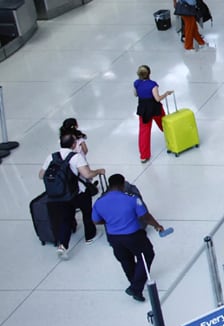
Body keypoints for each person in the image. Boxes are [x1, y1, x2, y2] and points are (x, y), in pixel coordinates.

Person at [91, 174, 162, 302]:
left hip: (114, 238)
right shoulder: (132, 199)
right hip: (134, 235)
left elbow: (96, 221)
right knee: (146, 255)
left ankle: (134, 281)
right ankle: (136, 287)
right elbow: (144, 216)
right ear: (122, 184)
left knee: (125, 260)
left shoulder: (99, 202)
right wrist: (157, 225)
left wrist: (110, 222)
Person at [39, 133, 106, 258]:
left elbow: (41, 175)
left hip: (60, 195)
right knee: (87, 213)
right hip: (78, 193)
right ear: (74, 144)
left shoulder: (51, 157)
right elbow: (87, 174)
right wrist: (98, 171)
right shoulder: (76, 157)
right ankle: (90, 236)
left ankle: (63, 245)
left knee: (66, 219)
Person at [134, 65, 173, 163]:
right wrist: (166, 94)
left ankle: (144, 156)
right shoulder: (153, 85)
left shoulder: (136, 83)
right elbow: (157, 99)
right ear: (149, 74)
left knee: (144, 132)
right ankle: (174, 142)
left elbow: (135, 94)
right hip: (155, 108)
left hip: (143, 109)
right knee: (165, 125)